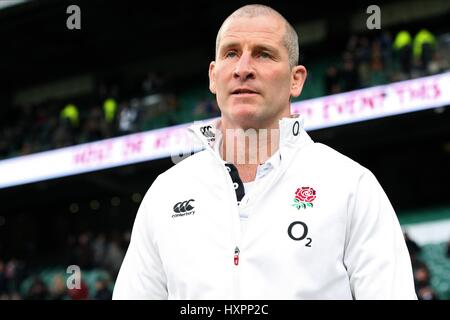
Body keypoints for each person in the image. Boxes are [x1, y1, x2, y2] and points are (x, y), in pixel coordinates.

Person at [113, 4, 417, 300]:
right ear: (212, 76)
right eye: (231, 53)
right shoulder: (166, 192)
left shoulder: (351, 185)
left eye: (263, 54)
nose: (243, 69)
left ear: (296, 79)